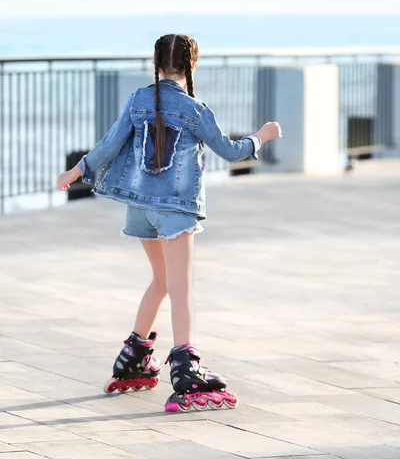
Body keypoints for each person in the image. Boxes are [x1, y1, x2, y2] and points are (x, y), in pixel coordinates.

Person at [57, 34, 282, 412]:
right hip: (176, 211)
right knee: (180, 287)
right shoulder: (195, 109)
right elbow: (229, 151)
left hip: (140, 208)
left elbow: (109, 144)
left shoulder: (137, 99)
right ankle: (186, 369)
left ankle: (134, 356)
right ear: (192, 65)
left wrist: (77, 170)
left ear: (156, 64)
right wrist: (261, 137)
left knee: (161, 281)